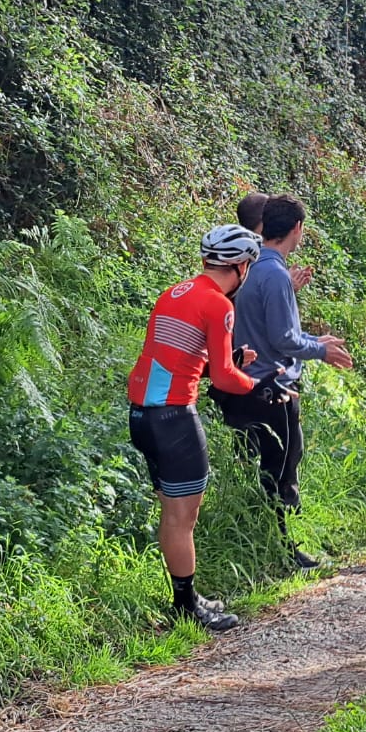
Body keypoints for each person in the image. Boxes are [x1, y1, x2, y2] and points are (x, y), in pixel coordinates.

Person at [127, 225, 266, 630]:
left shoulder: (176, 292)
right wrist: (257, 385)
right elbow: (225, 380)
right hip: (173, 418)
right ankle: (187, 609)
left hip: (142, 416)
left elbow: (177, 359)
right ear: (241, 265)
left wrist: (231, 360)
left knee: (173, 513)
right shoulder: (219, 304)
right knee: (182, 517)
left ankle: (186, 596)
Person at [213, 196, 353, 566]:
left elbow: (271, 328)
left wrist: (313, 342)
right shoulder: (274, 274)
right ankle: (281, 550)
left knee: (267, 465)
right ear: (297, 229)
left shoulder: (252, 268)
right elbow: (282, 339)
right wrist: (321, 351)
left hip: (246, 383)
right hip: (271, 387)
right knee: (280, 469)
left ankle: (267, 541)